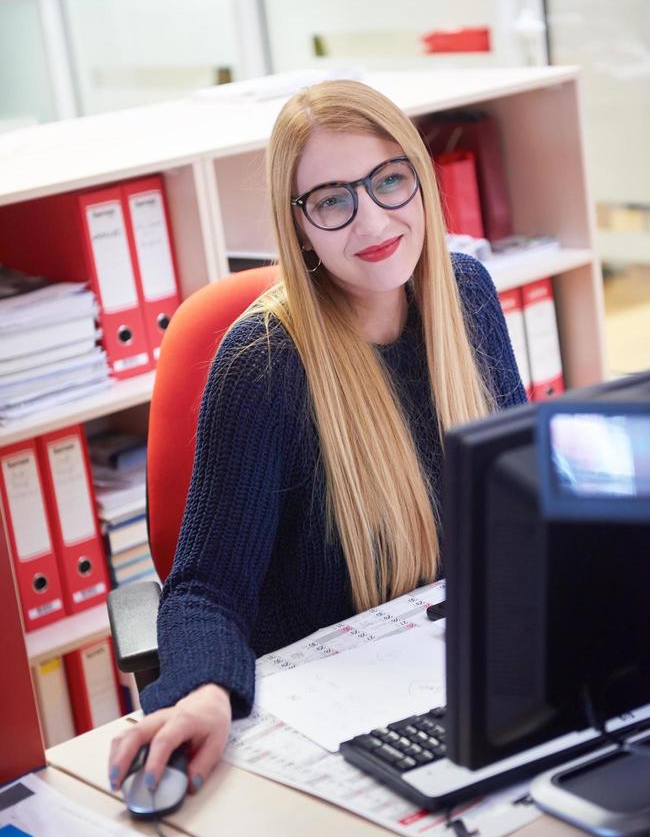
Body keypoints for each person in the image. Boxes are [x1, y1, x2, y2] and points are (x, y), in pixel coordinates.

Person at [108, 80, 526, 796]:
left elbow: (521, 493)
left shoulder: (465, 296)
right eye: (334, 199)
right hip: (329, 716)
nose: (371, 221)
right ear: (299, 225)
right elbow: (204, 589)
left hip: (455, 668)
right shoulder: (264, 365)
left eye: (389, 180)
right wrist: (206, 690)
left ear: (420, 179)